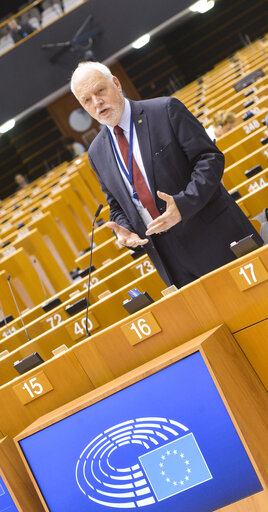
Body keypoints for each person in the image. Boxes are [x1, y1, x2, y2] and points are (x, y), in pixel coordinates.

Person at [70, 62, 263, 288]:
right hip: (168, 258)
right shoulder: (96, 152)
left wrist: (182, 205)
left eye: (100, 90)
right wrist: (125, 229)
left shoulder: (165, 110)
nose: (97, 103)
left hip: (212, 233)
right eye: (87, 100)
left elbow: (210, 159)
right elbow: (116, 204)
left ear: (116, 83)